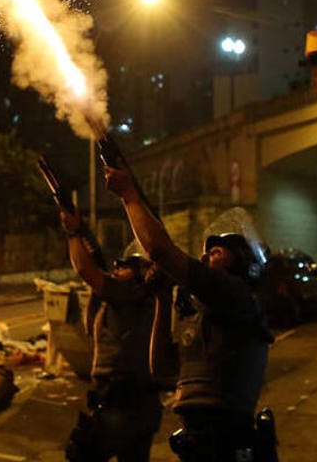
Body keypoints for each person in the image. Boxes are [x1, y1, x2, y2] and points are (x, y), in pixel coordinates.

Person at [105, 166, 274, 461]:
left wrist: (129, 195)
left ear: (241, 264)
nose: (206, 255)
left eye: (218, 252)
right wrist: (161, 300)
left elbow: (160, 249)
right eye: (207, 251)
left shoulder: (235, 294)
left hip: (226, 439)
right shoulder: (204, 313)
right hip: (200, 439)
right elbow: (162, 369)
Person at [61, 210, 165, 462]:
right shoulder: (142, 298)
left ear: (141, 276)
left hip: (120, 404)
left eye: (125, 266)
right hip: (143, 405)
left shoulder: (129, 293)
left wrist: (73, 233)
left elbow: (86, 269)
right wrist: (84, 232)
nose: (116, 268)